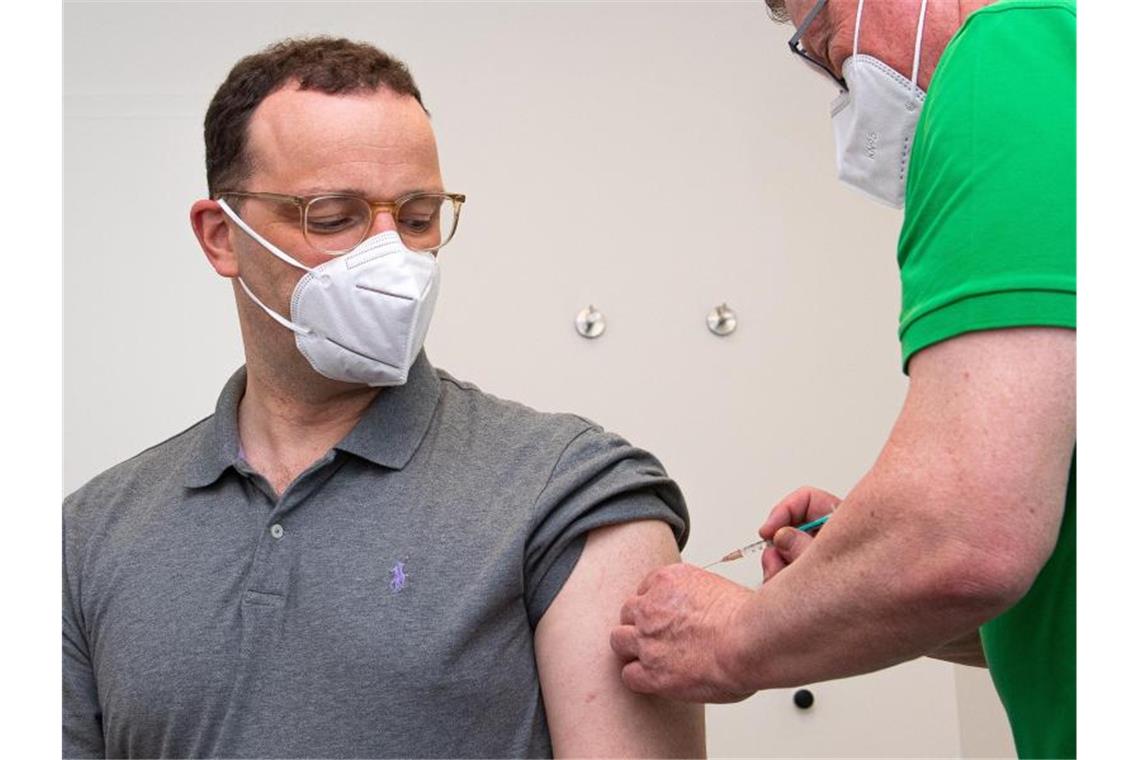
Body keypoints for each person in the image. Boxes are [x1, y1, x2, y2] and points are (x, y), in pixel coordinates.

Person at [63, 36, 705, 759]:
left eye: (418, 216)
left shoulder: (572, 492)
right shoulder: (89, 537)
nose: (391, 257)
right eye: (333, 217)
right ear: (222, 237)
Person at [610, 1, 1075, 757]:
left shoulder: (1010, 51)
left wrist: (731, 636)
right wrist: (862, 573)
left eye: (820, 38)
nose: (835, 76)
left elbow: (966, 541)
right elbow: (1065, 608)